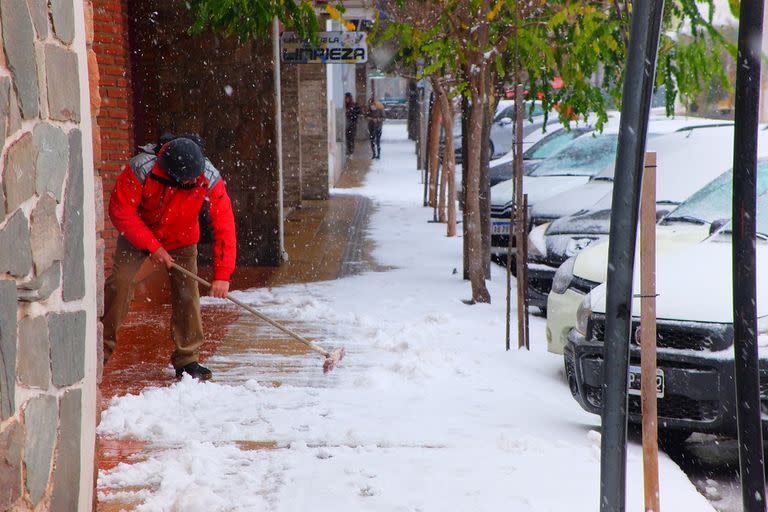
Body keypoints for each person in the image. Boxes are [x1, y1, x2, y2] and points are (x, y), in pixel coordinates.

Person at [102, 134, 237, 381]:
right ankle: (100, 349)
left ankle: (187, 359)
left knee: (188, 295)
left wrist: (222, 275)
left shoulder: (208, 175)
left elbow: (225, 224)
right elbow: (121, 211)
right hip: (139, 233)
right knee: (119, 284)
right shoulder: (142, 167)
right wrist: (152, 246)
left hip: (182, 238)